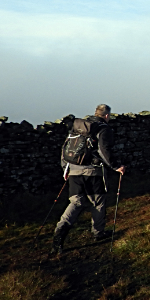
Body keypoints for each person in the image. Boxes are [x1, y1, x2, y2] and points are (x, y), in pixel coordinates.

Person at [51, 104, 125, 255]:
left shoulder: (79, 126)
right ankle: (98, 233)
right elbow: (104, 151)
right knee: (97, 201)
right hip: (93, 172)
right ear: (106, 115)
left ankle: (59, 235)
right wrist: (116, 166)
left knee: (76, 202)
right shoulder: (103, 128)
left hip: (74, 171)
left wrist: (65, 168)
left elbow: (67, 147)